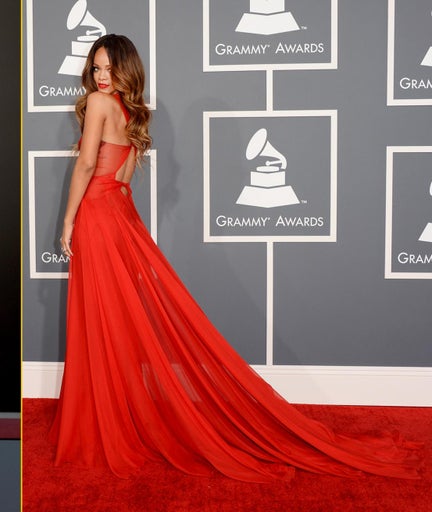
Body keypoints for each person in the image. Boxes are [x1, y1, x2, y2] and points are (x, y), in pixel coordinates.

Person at [49, 34, 422, 483]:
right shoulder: (130, 112)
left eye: (109, 67)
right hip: (121, 215)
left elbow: (88, 165)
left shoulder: (97, 104)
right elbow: (124, 179)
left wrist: (67, 220)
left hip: (97, 216)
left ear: (125, 68)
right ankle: (116, 420)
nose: (101, 76)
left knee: (101, 317)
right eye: (96, 68)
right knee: (117, 319)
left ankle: (106, 425)